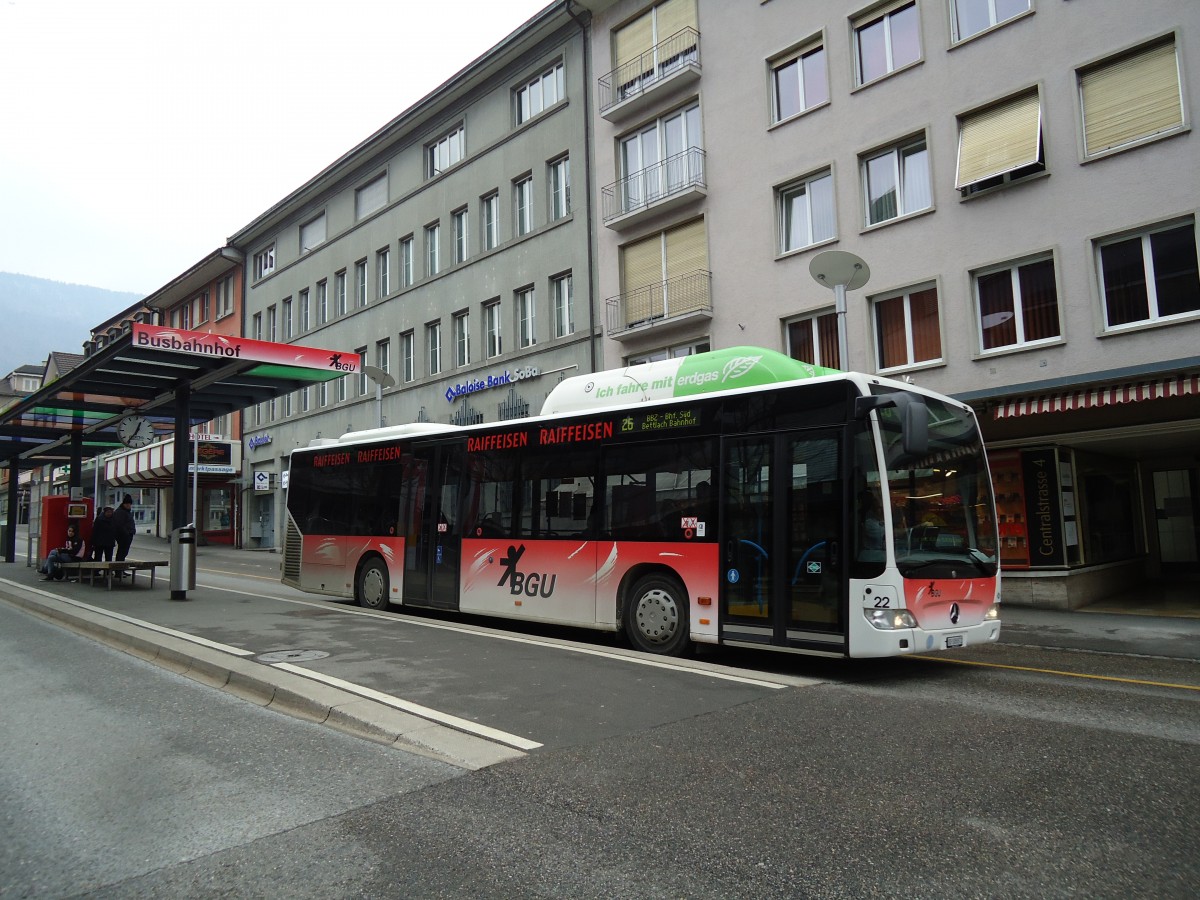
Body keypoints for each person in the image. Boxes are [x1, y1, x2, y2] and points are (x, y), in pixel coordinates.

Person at [114, 494, 136, 563]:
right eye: (127, 504)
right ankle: (119, 569)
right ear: (124, 504)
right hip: (123, 535)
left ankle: (120, 568)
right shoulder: (120, 512)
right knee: (122, 552)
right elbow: (119, 524)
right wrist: (126, 533)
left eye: (129, 504)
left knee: (123, 552)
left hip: (128, 533)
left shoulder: (126, 512)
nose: (128, 505)